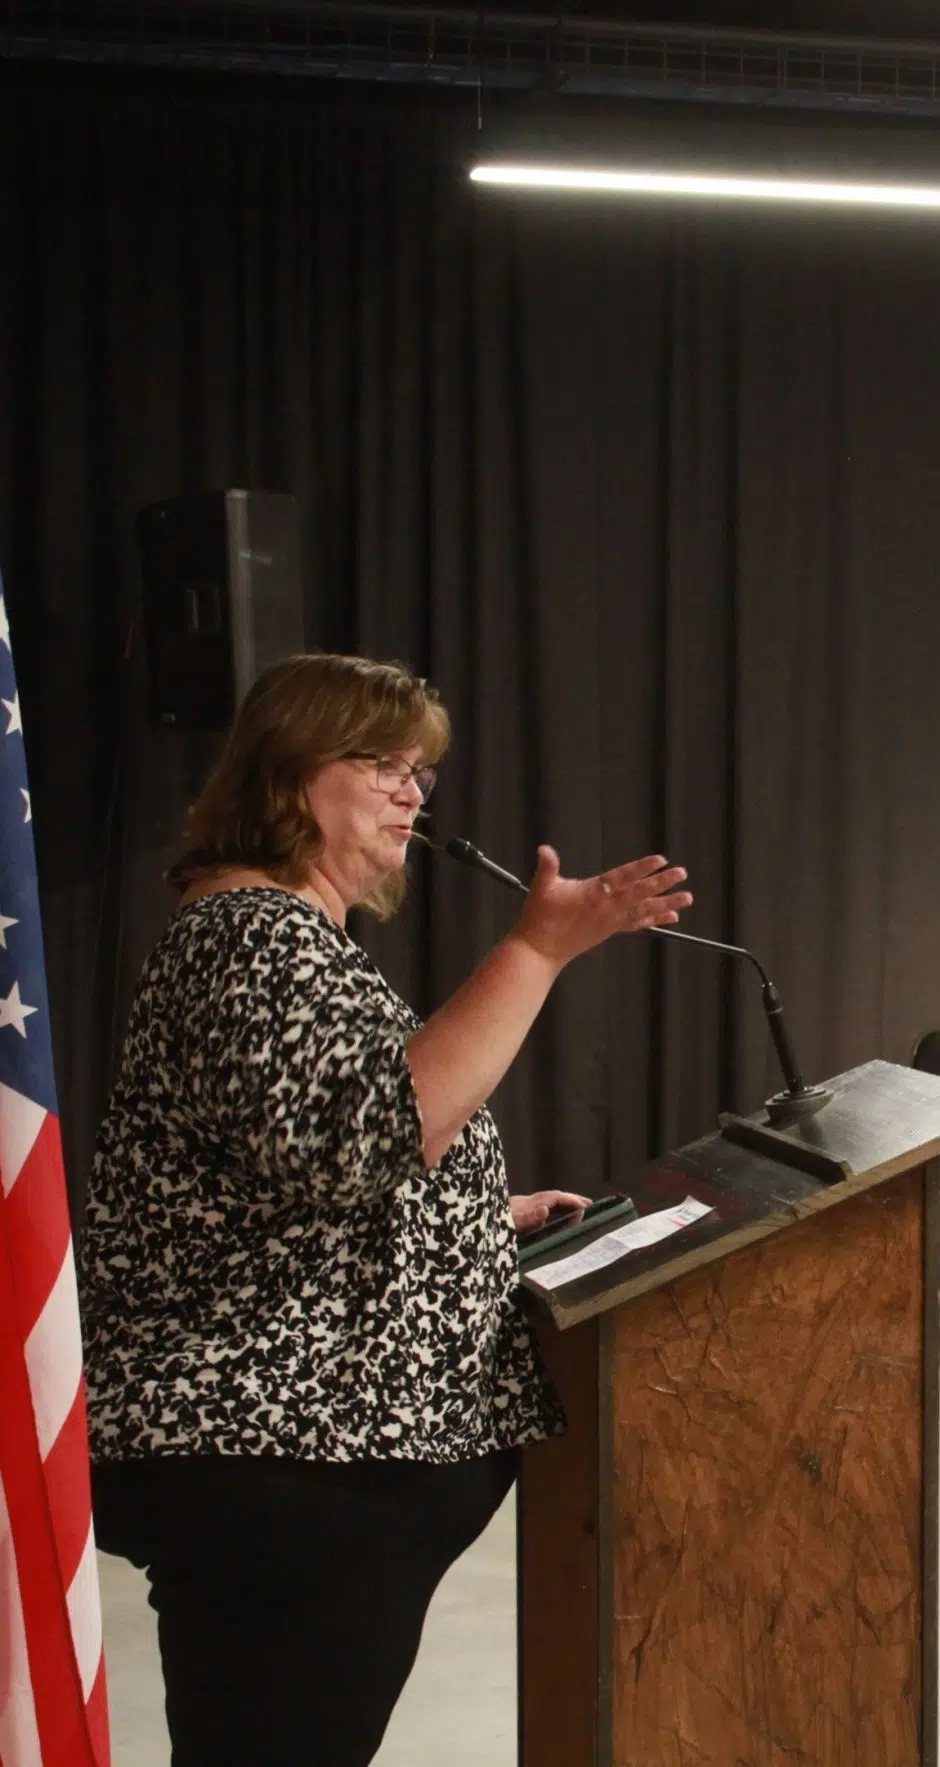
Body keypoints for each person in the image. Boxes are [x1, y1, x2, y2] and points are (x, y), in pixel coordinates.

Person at [81, 655, 689, 1767]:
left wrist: (474, 1219)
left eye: (421, 772)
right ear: (287, 773)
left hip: (311, 1470)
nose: (414, 793)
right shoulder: (249, 935)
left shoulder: (284, 939)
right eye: (381, 764)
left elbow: (291, 1177)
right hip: (285, 1466)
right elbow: (363, 1139)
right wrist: (538, 949)